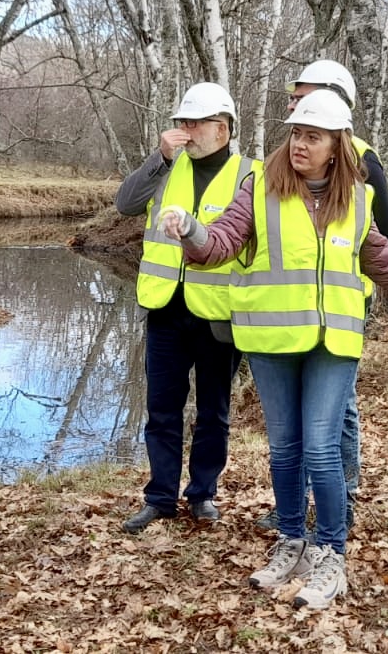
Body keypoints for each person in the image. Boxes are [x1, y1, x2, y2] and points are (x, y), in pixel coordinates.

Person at [161, 89, 388, 610]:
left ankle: (331, 552)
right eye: (296, 134)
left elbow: (385, 261)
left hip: (332, 342)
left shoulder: (356, 198)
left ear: (337, 145)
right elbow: (219, 244)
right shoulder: (259, 187)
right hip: (270, 339)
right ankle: (292, 539)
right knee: (285, 448)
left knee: (320, 447)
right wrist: (191, 232)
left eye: (313, 136)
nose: (300, 145)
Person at [257, 59, 388, 533]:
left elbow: (380, 242)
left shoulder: (362, 163)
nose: (296, 104)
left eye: (306, 94)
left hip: (340, 307)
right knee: (297, 434)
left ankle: (342, 499)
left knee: (337, 418)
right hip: (292, 314)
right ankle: (295, 514)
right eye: (295, 99)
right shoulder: (282, 167)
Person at [114, 82, 256, 534]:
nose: (187, 131)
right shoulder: (167, 167)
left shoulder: (250, 174)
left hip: (218, 314)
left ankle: (203, 495)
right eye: (182, 123)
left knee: (213, 411)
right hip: (165, 308)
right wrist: (158, 158)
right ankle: (159, 498)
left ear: (223, 128)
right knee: (162, 408)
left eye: (196, 123)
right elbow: (125, 204)